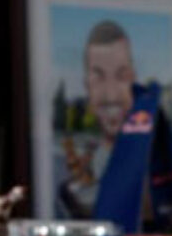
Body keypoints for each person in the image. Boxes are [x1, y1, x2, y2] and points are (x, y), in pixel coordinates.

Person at [58, 20, 138, 217]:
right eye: (98, 77)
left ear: (133, 79)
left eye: (121, 76)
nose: (111, 95)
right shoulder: (72, 189)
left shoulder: (157, 168)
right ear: (87, 85)